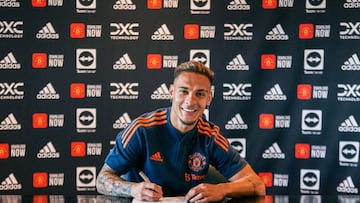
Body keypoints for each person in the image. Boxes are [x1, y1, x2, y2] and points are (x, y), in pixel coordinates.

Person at [96, 61, 266, 202]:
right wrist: (133, 189)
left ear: (209, 99)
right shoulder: (141, 129)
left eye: (200, 94)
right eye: (183, 91)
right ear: (171, 93)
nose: (190, 101)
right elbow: (102, 179)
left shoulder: (211, 137)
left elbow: (257, 185)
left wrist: (222, 190)